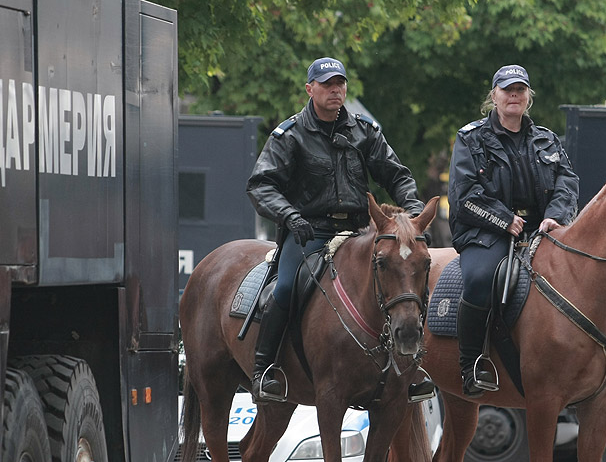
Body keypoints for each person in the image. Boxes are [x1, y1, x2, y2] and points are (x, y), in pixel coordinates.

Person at [246, 56, 433, 403]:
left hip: (360, 231)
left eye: (340, 84)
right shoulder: (290, 135)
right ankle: (265, 369)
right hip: (308, 232)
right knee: (285, 288)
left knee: (407, 280)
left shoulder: (365, 131)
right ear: (310, 89)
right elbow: (261, 186)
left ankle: (413, 364)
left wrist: (415, 215)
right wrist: (289, 216)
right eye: (327, 84)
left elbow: (397, 176)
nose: (335, 90)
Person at [447, 64, 581, 397]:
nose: (514, 95)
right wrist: (502, 219)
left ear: (528, 97)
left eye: (520, 90)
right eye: (507, 90)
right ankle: (471, 364)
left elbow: (568, 181)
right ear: (494, 96)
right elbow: (462, 195)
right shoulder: (470, 138)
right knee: (480, 279)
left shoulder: (545, 138)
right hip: (486, 232)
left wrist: (556, 216)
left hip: (542, 227)